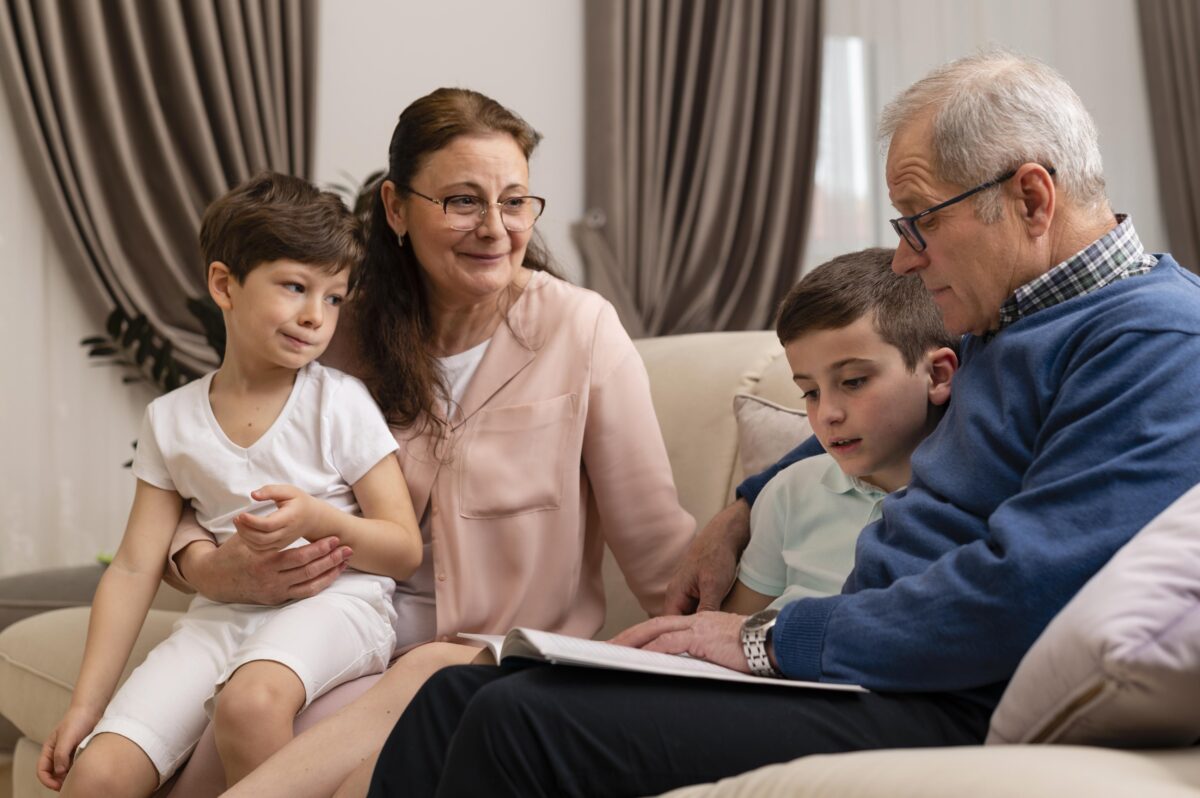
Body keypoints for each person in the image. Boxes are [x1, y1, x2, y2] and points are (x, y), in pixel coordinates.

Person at [364, 50, 1200, 798]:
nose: (905, 257)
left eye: (920, 220)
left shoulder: (1155, 342)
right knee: (452, 698)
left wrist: (766, 640)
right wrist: (745, 504)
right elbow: (879, 421)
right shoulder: (1006, 318)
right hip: (870, 671)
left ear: (1030, 196)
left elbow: (1019, 593)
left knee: (521, 722)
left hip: (930, 695)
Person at [153, 88, 693, 797]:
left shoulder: (580, 330)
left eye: (515, 201)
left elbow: (659, 551)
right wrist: (203, 567)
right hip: (337, 642)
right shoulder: (336, 332)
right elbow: (215, 466)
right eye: (464, 201)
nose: (495, 228)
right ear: (396, 208)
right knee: (205, 746)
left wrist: (753, 614)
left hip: (493, 659)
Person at [38, 172, 424, 796]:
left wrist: (319, 520)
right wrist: (87, 706)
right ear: (225, 285)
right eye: (295, 287)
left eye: (332, 298)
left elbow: (403, 547)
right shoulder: (171, 419)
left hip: (338, 607)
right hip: (218, 621)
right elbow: (136, 568)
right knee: (98, 775)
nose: (314, 317)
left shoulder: (340, 402)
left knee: (250, 704)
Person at [723, 247, 957, 616]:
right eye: (811, 392)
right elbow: (730, 630)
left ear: (938, 375)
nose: (828, 413)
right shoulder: (788, 492)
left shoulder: (966, 501)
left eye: (853, 381)